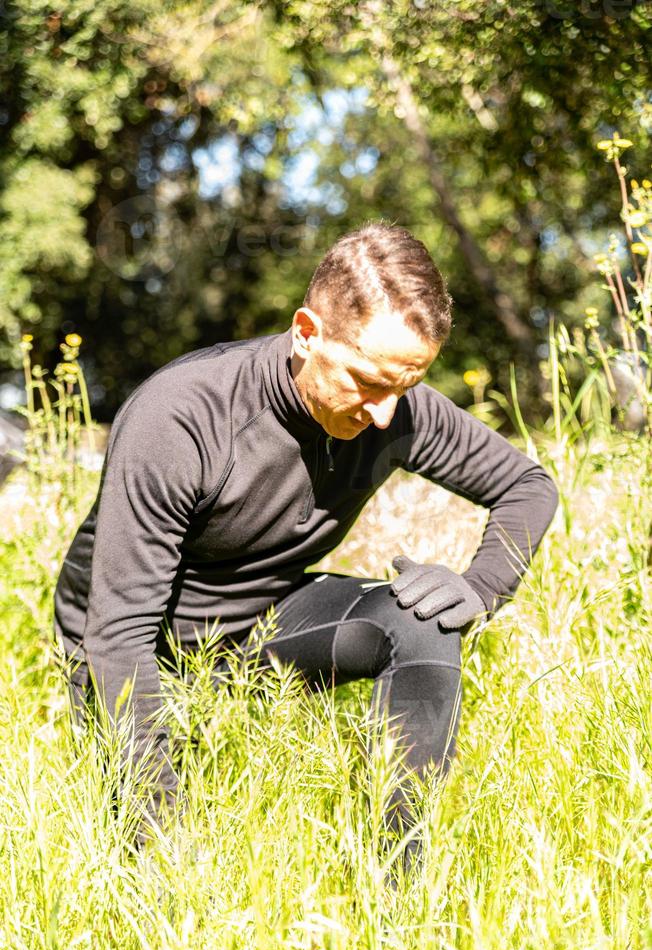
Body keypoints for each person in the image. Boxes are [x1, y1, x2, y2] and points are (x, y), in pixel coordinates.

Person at [52, 220, 559, 860]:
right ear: (307, 332)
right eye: (368, 382)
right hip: (130, 639)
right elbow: (118, 631)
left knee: (424, 622)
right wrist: (161, 844)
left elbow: (529, 485)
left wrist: (481, 587)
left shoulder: (394, 405)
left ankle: (398, 896)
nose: (383, 412)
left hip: (257, 623)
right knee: (141, 842)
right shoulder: (182, 417)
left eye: (404, 384)